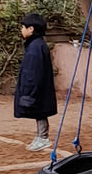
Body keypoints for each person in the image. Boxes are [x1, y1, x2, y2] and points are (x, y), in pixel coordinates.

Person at [13, 12, 58, 152]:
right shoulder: (37, 45)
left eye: (23, 27)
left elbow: (32, 72)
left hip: (37, 87)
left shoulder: (35, 47)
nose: (21, 30)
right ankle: (41, 136)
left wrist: (28, 92)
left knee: (40, 110)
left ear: (31, 29)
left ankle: (43, 138)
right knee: (40, 111)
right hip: (39, 87)